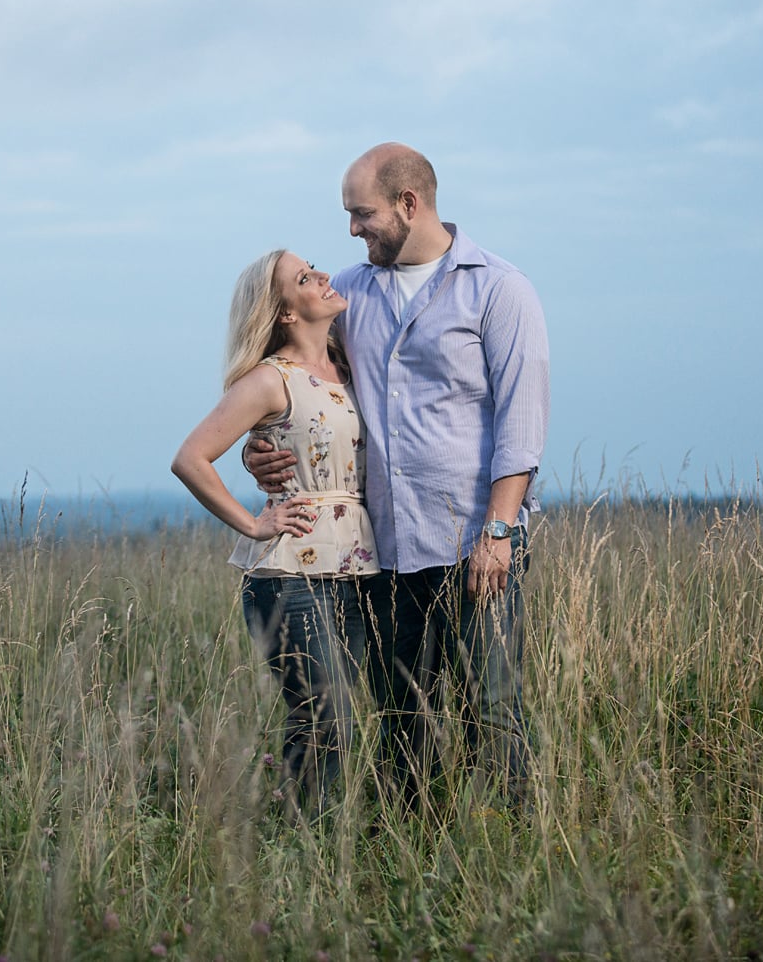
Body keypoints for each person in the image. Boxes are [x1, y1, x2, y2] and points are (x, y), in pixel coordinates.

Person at [246, 144, 549, 809]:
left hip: (476, 544)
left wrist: (497, 533)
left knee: (491, 708)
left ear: (408, 205)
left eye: (361, 214)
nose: (352, 230)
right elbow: (292, 378)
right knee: (404, 718)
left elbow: (521, 429)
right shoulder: (348, 293)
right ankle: (407, 853)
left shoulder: (499, 288)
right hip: (382, 551)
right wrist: (256, 446)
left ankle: (511, 852)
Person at [172, 248, 380, 819]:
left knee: (343, 716)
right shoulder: (269, 379)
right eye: (305, 277)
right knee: (322, 715)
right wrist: (252, 522)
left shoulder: (351, 362)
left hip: (360, 567)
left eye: (315, 267)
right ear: (285, 311)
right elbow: (191, 458)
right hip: (291, 574)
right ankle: (299, 846)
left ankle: (316, 838)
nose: (324, 278)